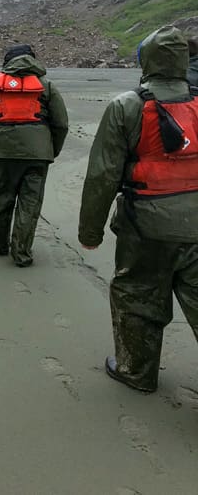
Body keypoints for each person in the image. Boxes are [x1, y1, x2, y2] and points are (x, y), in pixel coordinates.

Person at [79, 25, 198, 393]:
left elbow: (102, 176)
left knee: (136, 296)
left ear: (145, 59)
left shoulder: (126, 106)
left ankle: (136, 370)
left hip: (145, 227)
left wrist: (90, 232)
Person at [0, 43, 69, 267]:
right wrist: (51, 150)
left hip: (2, 152)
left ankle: (1, 243)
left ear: (7, 63)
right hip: (37, 154)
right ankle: (22, 252)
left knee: (3, 198)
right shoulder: (47, 86)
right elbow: (61, 124)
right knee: (30, 202)